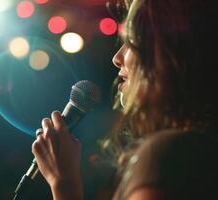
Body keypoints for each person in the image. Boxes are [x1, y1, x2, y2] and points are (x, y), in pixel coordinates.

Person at [31, 0, 218, 199]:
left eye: (131, 40)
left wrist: (64, 185)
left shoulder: (166, 155)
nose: (117, 58)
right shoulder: (196, 148)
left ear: (168, 54)